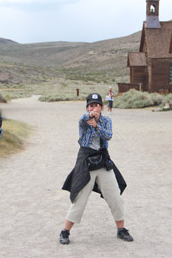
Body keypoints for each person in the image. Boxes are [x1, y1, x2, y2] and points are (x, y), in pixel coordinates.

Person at [59, 93, 133, 245]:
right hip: (86, 162)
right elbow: (81, 121)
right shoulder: (84, 120)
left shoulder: (106, 121)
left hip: (102, 161)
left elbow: (108, 136)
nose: (94, 108)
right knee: (80, 198)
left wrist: (97, 125)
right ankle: (65, 231)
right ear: (87, 108)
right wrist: (90, 118)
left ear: (102, 107)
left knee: (115, 196)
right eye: (91, 105)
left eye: (97, 105)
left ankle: (121, 230)